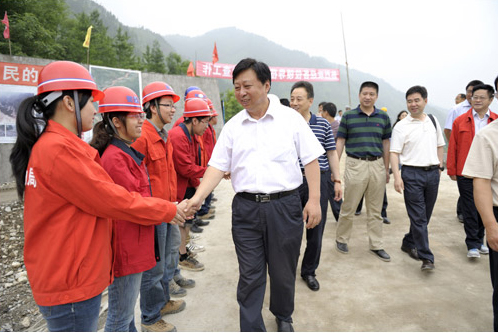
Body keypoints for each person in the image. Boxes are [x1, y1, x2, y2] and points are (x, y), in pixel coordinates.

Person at [9, 61, 189, 332]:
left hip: (69, 271)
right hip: (70, 280)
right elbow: (115, 199)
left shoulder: (57, 145)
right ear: (69, 103)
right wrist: (168, 210)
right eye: (91, 101)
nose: (95, 111)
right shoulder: (59, 150)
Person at [185, 58, 323, 332]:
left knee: (283, 272)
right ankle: (251, 327)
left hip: (285, 206)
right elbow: (217, 165)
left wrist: (315, 200)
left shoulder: (290, 119)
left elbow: (310, 160)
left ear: (266, 85)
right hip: (246, 210)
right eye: (236, 87)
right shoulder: (234, 126)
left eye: (247, 86)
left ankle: (283, 315)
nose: (241, 93)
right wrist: (198, 197)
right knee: (250, 274)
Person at [89, 86, 157, 331]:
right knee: (118, 318)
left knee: (127, 314)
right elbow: (131, 205)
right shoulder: (115, 158)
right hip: (125, 248)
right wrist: (168, 210)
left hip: (133, 244)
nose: (142, 119)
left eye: (141, 113)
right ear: (116, 121)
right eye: (135, 115)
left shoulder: (125, 151)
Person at [130, 81, 189, 332]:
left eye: (174, 105)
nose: (173, 110)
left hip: (167, 210)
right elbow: (134, 181)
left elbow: (168, 174)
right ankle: (150, 318)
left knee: (166, 261)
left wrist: (173, 205)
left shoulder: (163, 135)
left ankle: (162, 302)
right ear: (152, 107)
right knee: (153, 269)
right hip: (153, 214)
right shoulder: (142, 136)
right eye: (168, 105)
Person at [290, 81, 342, 292]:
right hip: (291, 182)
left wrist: (337, 180)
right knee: (289, 230)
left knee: (316, 228)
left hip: (319, 180)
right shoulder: (283, 123)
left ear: (311, 101)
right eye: (292, 98)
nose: (294, 103)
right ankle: (287, 267)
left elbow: (331, 153)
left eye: (299, 99)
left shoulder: (322, 125)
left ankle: (309, 271)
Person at [335, 81, 392, 262]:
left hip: (377, 165)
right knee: (349, 206)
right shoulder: (349, 117)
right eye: (365, 93)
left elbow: (386, 144)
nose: (368, 97)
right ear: (360, 95)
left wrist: (386, 168)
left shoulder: (383, 118)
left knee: (375, 209)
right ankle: (341, 239)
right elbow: (340, 142)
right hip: (355, 164)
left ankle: (376, 244)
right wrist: (335, 169)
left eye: (371, 94)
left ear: (376, 96)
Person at [390, 85, 445, 271]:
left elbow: (440, 145)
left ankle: (408, 241)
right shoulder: (401, 126)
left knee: (425, 215)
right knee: (419, 218)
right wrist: (397, 176)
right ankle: (426, 257)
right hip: (411, 174)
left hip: (432, 174)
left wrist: (439, 166)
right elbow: (394, 153)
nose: (413, 104)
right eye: (409, 101)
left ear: (425, 101)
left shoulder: (432, 120)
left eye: (417, 100)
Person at [461, 74, 498, 331]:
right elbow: (482, 182)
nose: (477, 100)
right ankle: (473, 241)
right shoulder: (488, 135)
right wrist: (491, 225)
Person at [448, 84, 497, 258]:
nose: (477, 100)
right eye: (474, 97)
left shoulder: (495, 121)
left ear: (491, 100)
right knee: (469, 208)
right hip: (465, 171)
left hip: (487, 173)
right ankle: (472, 244)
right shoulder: (460, 120)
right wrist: (452, 169)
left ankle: (481, 238)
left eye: (481, 97)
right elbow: (453, 145)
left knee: (485, 206)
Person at [169, 98, 212, 272]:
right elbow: (186, 167)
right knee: (180, 222)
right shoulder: (178, 135)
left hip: (184, 184)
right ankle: (181, 255)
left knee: (187, 221)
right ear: (194, 120)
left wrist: (197, 188)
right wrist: (211, 172)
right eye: (205, 122)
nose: (207, 127)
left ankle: (183, 251)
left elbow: (192, 164)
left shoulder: (191, 135)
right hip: (175, 187)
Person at [321, 102, 343, 222]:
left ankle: (340, 217)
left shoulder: (334, 126)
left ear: (326, 112)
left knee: (334, 192)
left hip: (329, 164)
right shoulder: (328, 125)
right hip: (324, 164)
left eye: (321, 111)